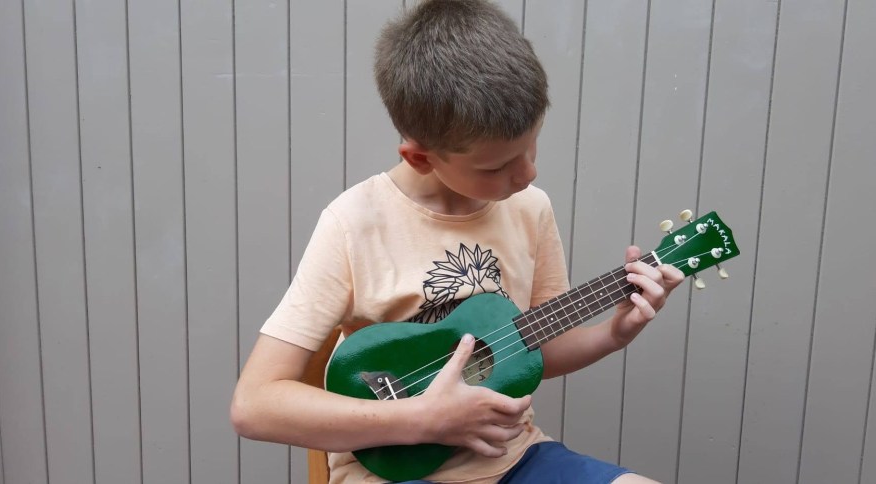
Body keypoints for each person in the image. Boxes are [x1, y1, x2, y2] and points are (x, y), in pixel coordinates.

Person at [230, 1, 684, 482]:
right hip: (393, 472)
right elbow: (253, 405)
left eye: (531, 146)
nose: (528, 174)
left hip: (514, 459)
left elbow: (529, 350)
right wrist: (421, 418)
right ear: (420, 157)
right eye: (497, 166)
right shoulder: (353, 225)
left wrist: (613, 334)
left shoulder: (529, 208)